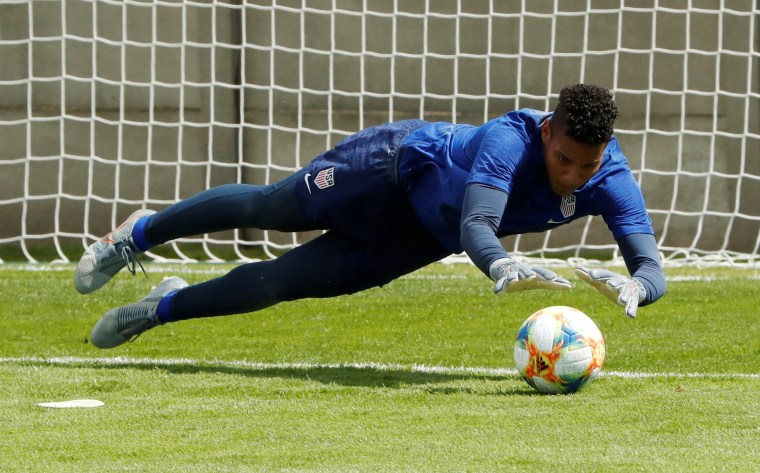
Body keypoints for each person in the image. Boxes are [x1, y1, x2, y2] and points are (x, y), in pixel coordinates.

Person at [75, 84, 667, 349]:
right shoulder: (510, 138)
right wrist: (499, 264)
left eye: (586, 166)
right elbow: (477, 227)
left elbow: (651, 265)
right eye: (563, 159)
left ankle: (160, 309)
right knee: (272, 208)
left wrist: (639, 285)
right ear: (546, 133)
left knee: (279, 283)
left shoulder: (609, 177)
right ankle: (137, 233)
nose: (574, 176)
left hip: (415, 238)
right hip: (385, 169)